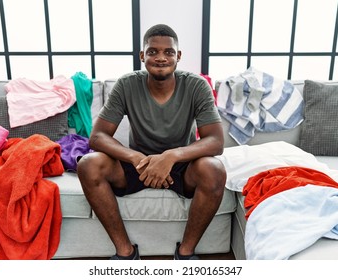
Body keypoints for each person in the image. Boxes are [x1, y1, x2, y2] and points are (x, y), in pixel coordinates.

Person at [77, 24, 226, 260]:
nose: (160, 57)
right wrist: (136, 157)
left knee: (214, 169)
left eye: (168, 52)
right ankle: (125, 253)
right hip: (137, 165)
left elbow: (216, 142)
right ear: (142, 56)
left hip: (181, 166)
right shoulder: (127, 84)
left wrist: (171, 156)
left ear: (178, 56)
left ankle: (185, 253)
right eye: (153, 51)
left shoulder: (196, 85)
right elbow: (97, 137)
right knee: (88, 163)